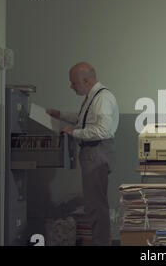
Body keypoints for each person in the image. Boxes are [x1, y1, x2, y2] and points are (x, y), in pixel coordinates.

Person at [47, 62, 119, 246]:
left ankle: (101, 243)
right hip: (94, 152)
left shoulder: (102, 98)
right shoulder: (93, 96)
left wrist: (74, 133)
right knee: (94, 204)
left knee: (96, 206)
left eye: (74, 83)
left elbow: (102, 130)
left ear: (86, 80)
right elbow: (84, 119)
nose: (71, 87)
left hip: (96, 152)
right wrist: (60, 114)